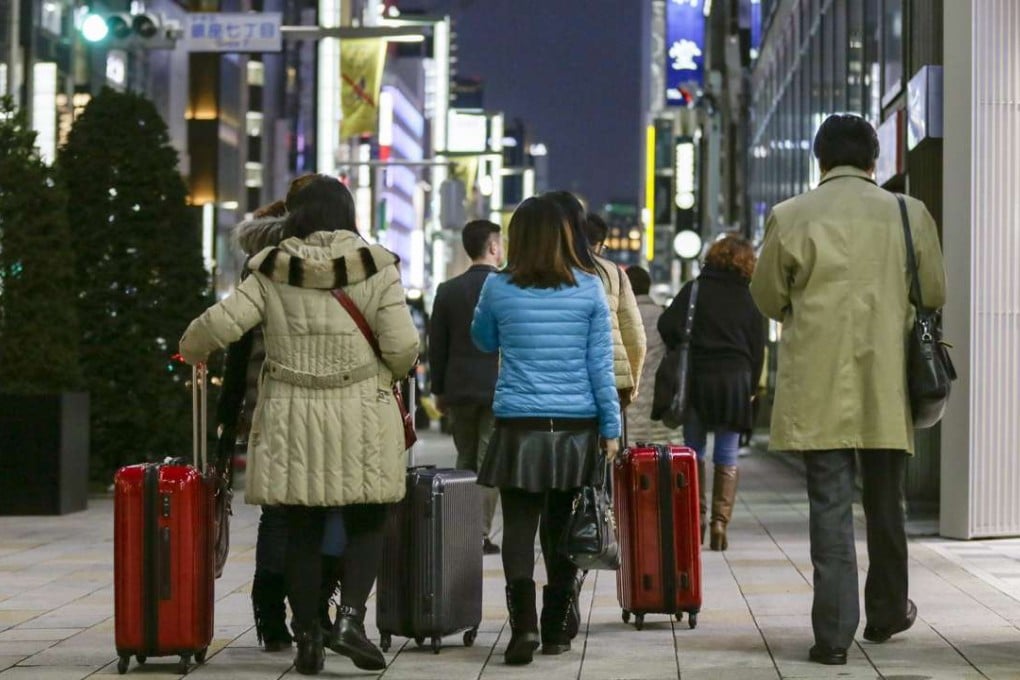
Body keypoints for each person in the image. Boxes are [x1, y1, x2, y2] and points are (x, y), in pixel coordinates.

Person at [179, 175, 419, 675]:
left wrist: (189, 349)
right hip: (362, 412)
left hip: (292, 413)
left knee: (304, 526)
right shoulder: (377, 266)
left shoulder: (270, 268)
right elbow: (401, 348)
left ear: (295, 216)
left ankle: (307, 633)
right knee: (368, 520)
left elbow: (222, 324)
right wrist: (386, 372)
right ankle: (350, 619)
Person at [749, 114, 946, 666]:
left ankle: (833, 636)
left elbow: (766, 297)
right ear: (873, 161)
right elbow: (935, 288)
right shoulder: (908, 214)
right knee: (887, 503)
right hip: (887, 384)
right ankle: (886, 612)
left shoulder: (791, 216)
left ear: (820, 160)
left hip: (818, 385)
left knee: (829, 508)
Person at [471, 196, 620, 666]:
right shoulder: (589, 287)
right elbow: (602, 366)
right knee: (563, 525)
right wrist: (611, 428)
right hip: (577, 425)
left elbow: (483, 339)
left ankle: (524, 628)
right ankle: (557, 624)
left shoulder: (499, 287)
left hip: (520, 424)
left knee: (518, 527)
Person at [659, 234, 765, 552]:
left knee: (693, 452)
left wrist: (685, 344)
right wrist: (752, 385)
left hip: (698, 380)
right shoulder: (748, 296)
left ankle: (695, 520)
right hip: (735, 380)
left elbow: (666, 324)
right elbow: (757, 346)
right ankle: (720, 523)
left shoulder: (694, 290)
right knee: (727, 455)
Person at [429, 219, 504, 555]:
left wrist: (439, 390)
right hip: (497, 388)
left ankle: (460, 526)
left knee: (465, 457)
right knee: (489, 460)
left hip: (459, 388)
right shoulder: (506, 287)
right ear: (492, 246)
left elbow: (437, 346)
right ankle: (480, 532)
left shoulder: (448, 290)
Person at [622, 266, 678, 446]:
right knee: (657, 455)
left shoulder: (619, 318)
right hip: (658, 400)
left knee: (629, 456)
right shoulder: (664, 316)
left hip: (628, 402)